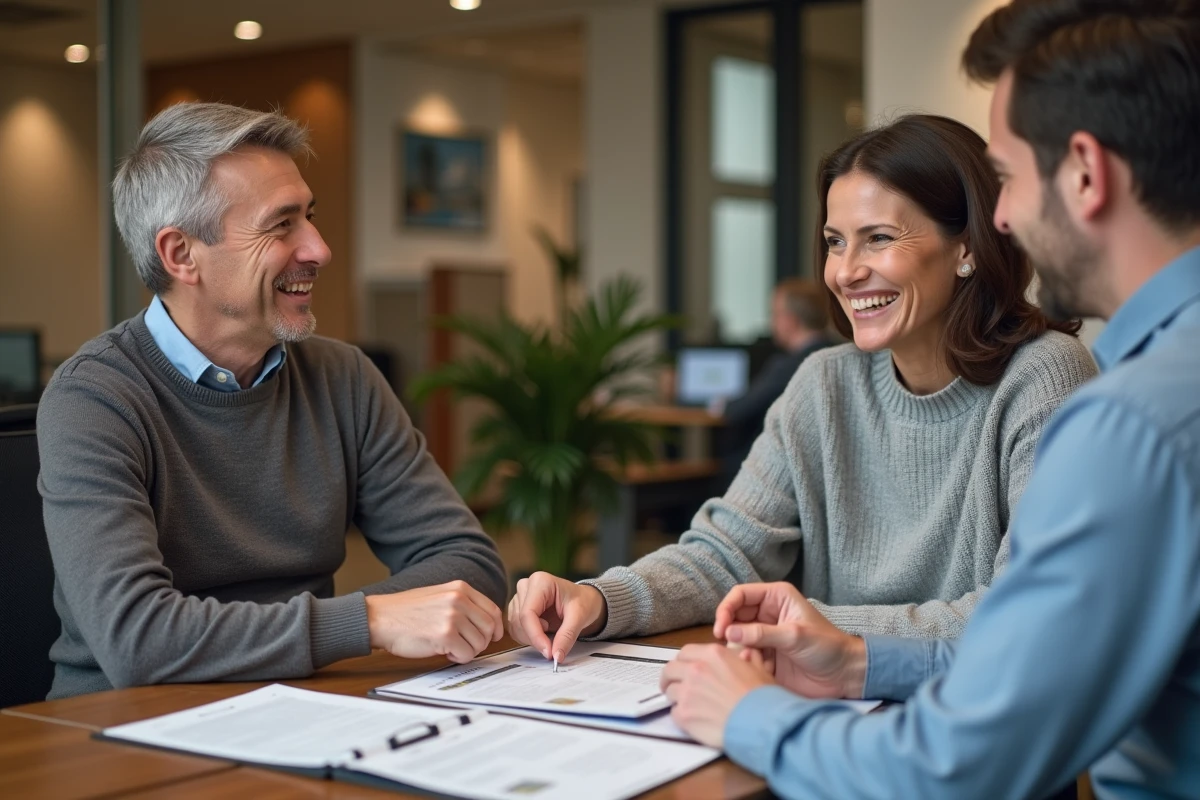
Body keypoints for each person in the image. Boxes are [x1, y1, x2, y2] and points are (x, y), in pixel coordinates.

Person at [658, 1, 1200, 797]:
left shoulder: (1133, 420)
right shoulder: (1159, 386)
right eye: (836, 242)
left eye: (1008, 178)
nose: (1004, 215)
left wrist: (752, 715)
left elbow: (966, 760)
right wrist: (852, 655)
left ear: (1086, 172)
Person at [509, 113, 1098, 661]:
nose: (844, 272)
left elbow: (1029, 614)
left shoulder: (1044, 377)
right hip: (831, 715)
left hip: (981, 738)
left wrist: (815, 623)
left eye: (880, 238)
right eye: (836, 241)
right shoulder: (822, 382)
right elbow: (725, 554)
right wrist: (603, 599)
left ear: (966, 246)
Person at [37, 103, 508, 700]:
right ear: (181, 254)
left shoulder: (344, 377)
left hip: (302, 701)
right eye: (281, 225)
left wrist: (330, 635)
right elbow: (137, 639)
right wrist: (368, 622)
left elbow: (467, 561)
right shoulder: (95, 397)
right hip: (123, 728)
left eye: (309, 217)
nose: (318, 248)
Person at [709, 279, 835, 485]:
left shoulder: (789, 365)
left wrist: (722, 404)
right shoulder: (842, 357)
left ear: (790, 320)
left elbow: (737, 411)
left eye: (774, 314)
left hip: (770, 475)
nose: (771, 323)